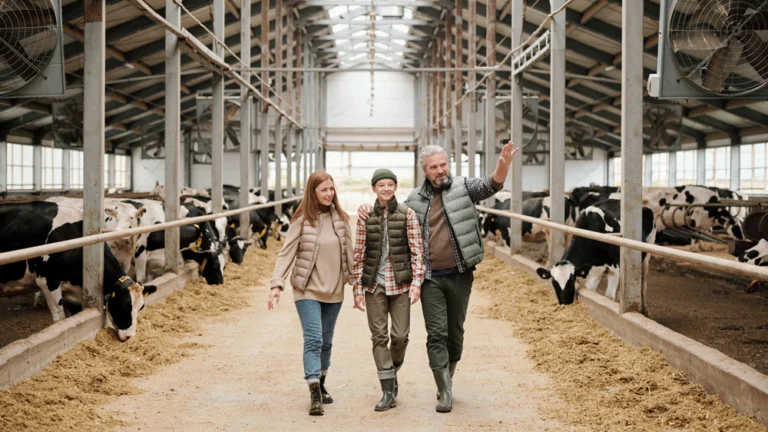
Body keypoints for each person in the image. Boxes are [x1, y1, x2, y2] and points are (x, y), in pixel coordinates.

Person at [358, 142, 519, 413]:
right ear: (425, 170)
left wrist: (503, 165)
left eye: (443, 164)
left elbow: (492, 185)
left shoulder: (463, 187)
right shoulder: (415, 200)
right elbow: (392, 213)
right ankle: (444, 390)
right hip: (430, 278)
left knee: (455, 334)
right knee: (437, 334)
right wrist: (368, 208)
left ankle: (448, 377)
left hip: (460, 274)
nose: (440, 170)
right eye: (434, 167)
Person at [268, 171, 354, 416]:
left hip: (334, 289)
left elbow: (350, 253)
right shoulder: (302, 220)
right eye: (324, 190)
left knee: (326, 341)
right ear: (313, 193)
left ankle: (323, 384)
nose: (329, 194)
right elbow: (286, 253)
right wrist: (277, 284)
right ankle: (314, 391)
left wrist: (357, 284)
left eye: (331, 189)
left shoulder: (341, 219)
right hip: (306, 288)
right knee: (314, 338)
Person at [351, 168, 425, 412]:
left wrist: (416, 284)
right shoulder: (365, 216)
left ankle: (391, 371)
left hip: (401, 284)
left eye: (390, 184)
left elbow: (417, 252)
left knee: (401, 336)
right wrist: (357, 288)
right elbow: (359, 252)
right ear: (374, 188)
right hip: (374, 284)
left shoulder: (407, 214)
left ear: (395, 187)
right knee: (379, 337)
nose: (385, 189)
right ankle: (387, 391)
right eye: (380, 185)